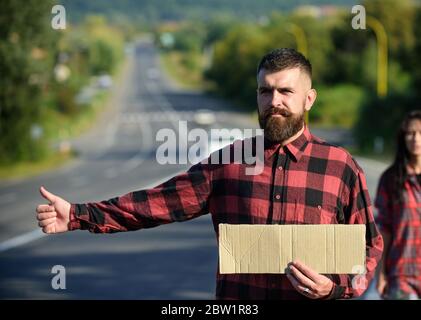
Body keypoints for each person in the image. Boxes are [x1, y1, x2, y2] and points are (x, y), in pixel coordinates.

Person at [36, 48, 383, 300]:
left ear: (309, 99)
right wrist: (79, 215)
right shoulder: (229, 162)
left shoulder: (340, 167)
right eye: (266, 91)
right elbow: (156, 202)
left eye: (285, 92)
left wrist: (336, 289)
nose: (274, 100)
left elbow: (369, 245)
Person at [375, 110, 421, 300]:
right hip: (402, 272)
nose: (416, 138)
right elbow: (384, 229)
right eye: (410, 133)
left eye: (420, 132)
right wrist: (381, 273)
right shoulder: (391, 179)